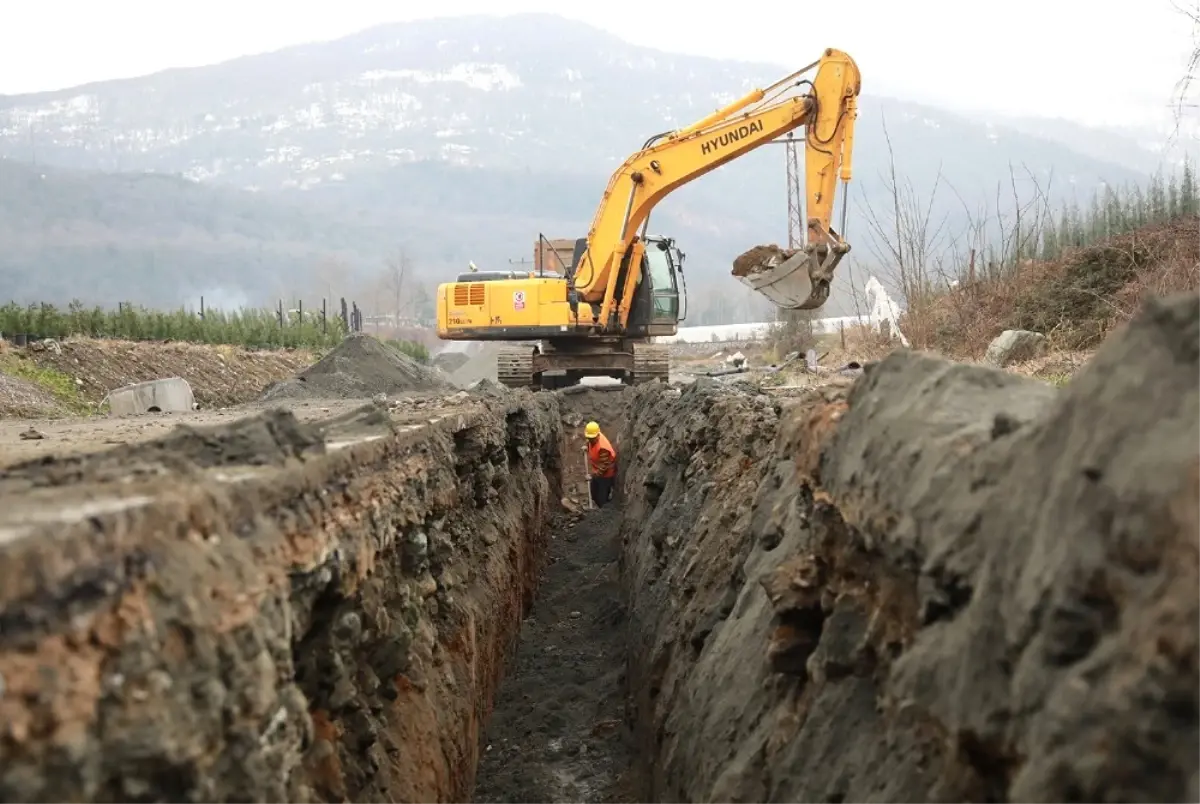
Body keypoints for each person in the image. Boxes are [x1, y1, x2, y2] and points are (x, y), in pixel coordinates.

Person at [584, 420, 617, 508]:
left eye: (592, 438)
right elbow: (590, 442)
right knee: (594, 495)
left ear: (597, 435)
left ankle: (606, 512)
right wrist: (586, 446)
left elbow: (604, 467)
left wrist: (592, 476)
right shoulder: (592, 439)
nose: (590, 439)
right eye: (589, 437)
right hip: (597, 471)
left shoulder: (603, 449)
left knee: (602, 499)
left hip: (606, 475)